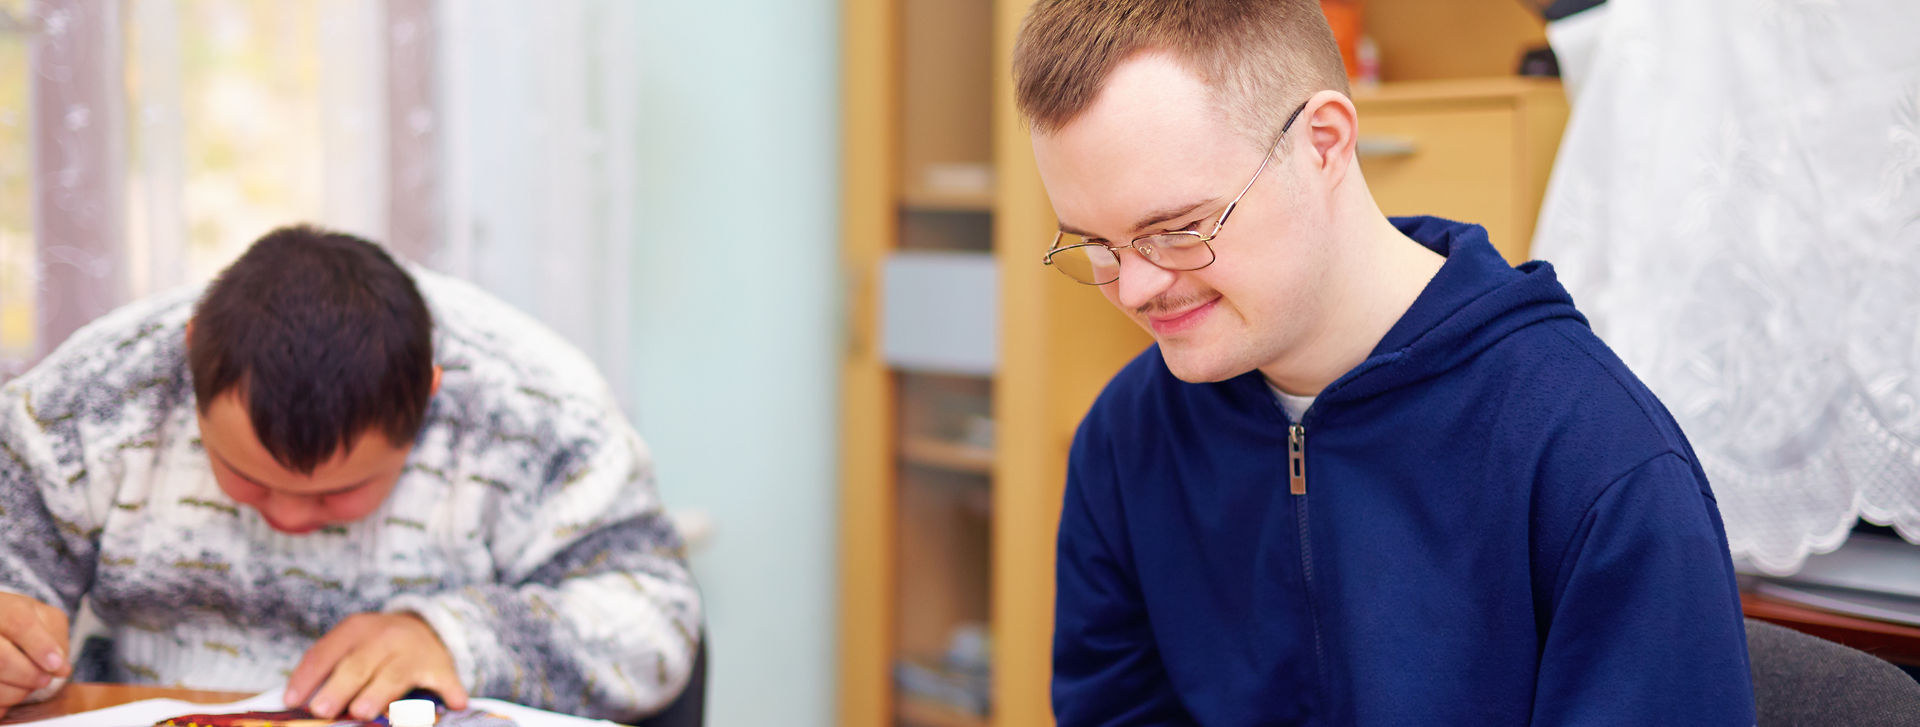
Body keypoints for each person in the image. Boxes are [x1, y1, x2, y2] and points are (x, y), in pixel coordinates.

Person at [1012, 1, 1755, 724]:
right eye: (1096, 245)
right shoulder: (1127, 435)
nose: (1134, 289)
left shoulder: (1598, 459)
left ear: (1324, 143)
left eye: (1176, 230)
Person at [0, 226, 700, 722]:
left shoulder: (532, 403)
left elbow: (658, 616)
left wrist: (457, 636)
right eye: (245, 476)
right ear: (191, 364)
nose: (288, 519)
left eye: (340, 492)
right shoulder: (94, 395)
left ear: (427, 395)